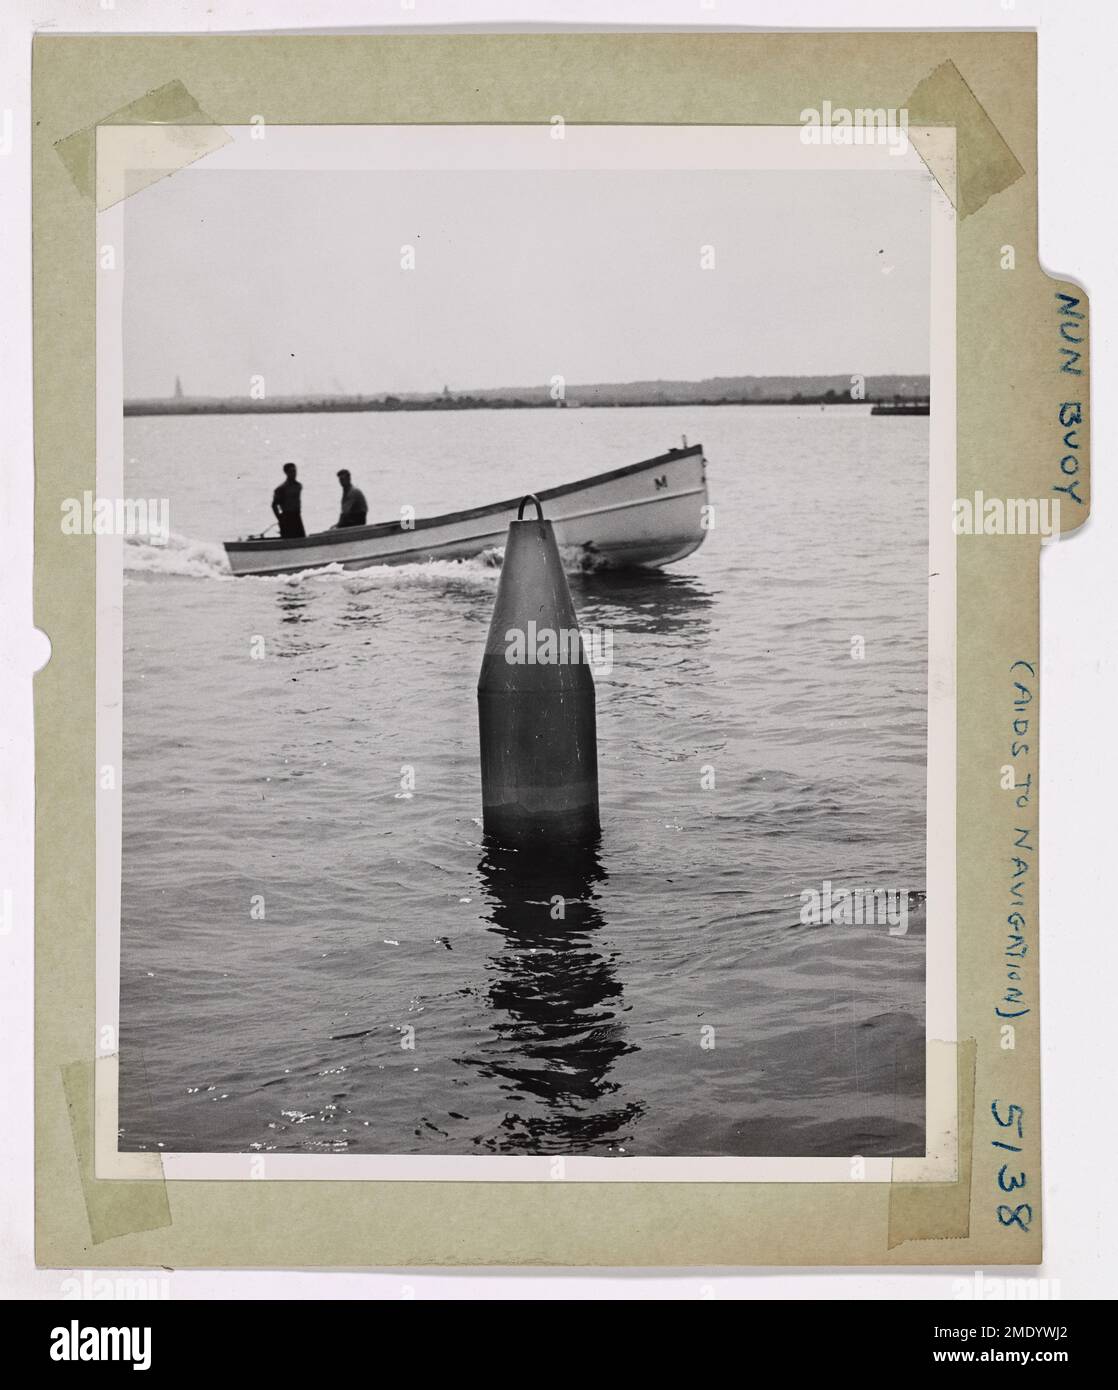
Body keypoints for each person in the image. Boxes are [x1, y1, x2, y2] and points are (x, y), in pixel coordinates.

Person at [271, 462, 306, 539]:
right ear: (286, 473)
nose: (294, 473)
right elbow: (274, 505)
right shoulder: (281, 488)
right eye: (291, 471)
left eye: (294, 471)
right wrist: (280, 519)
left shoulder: (298, 486)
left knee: (301, 539)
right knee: (289, 540)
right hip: (287, 517)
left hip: (297, 516)